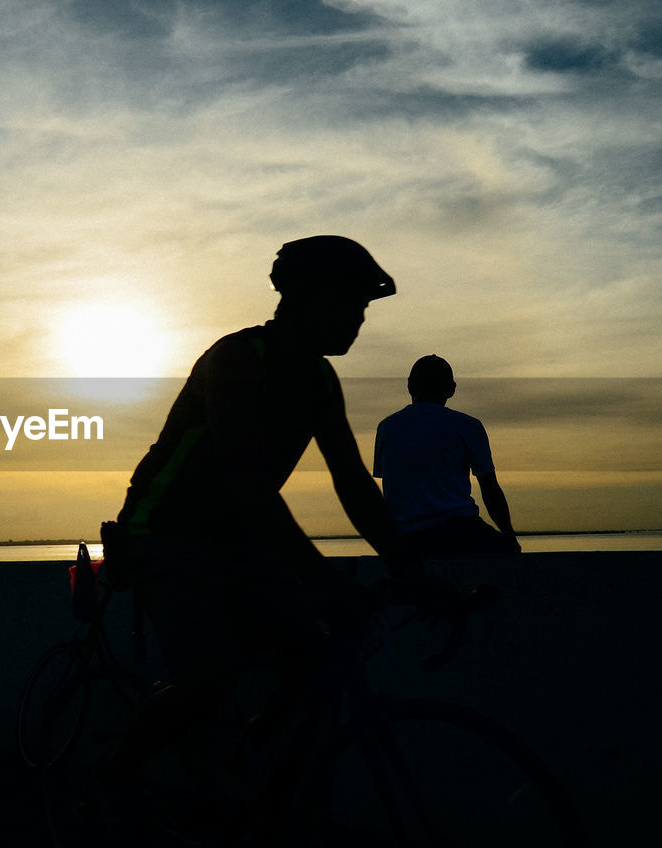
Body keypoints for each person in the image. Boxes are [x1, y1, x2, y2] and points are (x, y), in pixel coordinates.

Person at [98, 235, 420, 815]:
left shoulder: (321, 381)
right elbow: (247, 483)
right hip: (164, 529)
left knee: (314, 658)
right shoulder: (241, 360)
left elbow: (354, 484)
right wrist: (322, 579)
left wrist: (409, 567)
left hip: (236, 535)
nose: (359, 318)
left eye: (364, 308)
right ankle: (107, 790)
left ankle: (242, 769)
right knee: (208, 679)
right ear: (304, 296)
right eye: (351, 302)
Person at [372, 354, 520, 556]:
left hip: (404, 537)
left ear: (409, 387)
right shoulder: (468, 426)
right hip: (458, 531)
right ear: (451, 389)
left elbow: (390, 486)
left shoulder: (387, 427)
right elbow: (490, 487)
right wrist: (509, 536)